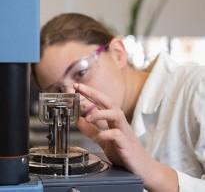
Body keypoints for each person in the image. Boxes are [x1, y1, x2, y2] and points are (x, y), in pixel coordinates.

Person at [32, 13, 205, 192]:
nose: (74, 99)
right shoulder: (105, 132)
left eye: (81, 73)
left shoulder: (198, 88)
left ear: (118, 53)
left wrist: (151, 172)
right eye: (59, 91)